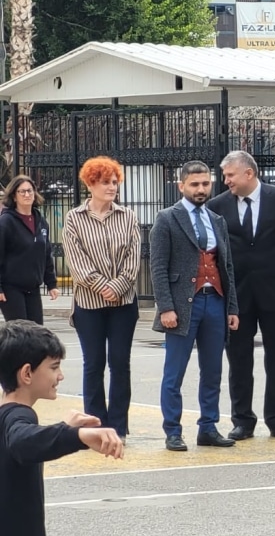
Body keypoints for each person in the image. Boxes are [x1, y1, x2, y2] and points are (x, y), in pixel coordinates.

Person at [0, 320, 123, 536]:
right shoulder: (18, 419)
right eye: (54, 367)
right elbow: (24, 442)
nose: (61, 376)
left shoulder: (7, 414)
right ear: (27, 374)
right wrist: (77, 436)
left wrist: (66, 427)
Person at [206, 150, 275, 441]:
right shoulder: (218, 206)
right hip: (236, 296)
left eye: (230, 175)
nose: (225, 181)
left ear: (248, 173)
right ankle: (243, 420)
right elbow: (214, 253)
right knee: (238, 359)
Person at [150, 161, 241, 452]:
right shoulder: (166, 218)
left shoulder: (217, 220)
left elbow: (227, 266)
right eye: (194, 184)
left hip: (214, 300)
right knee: (174, 373)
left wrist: (232, 308)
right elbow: (158, 268)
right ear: (181, 186)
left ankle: (208, 427)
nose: (201, 189)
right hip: (181, 305)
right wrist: (166, 307)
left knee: (212, 370)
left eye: (205, 184)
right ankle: (173, 431)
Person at [63, 156, 142, 441]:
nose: (112, 187)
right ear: (91, 183)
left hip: (123, 304)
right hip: (89, 305)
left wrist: (119, 286)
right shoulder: (74, 218)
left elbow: (134, 258)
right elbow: (76, 261)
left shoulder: (128, 216)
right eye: (106, 182)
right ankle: (96, 425)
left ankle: (118, 427)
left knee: (120, 363)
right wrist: (101, 286)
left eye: (114, 182)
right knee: (93, 363)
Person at [0, 176, 59, 324]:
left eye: (30, 191)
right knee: (20, 333)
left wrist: (51, 283)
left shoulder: (41, 221)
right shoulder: (6, 222)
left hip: (33, 287)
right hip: (11, 288)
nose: (27, 195)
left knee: (36, 333)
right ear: (14, 196)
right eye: (22, 192)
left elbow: (46, 254)